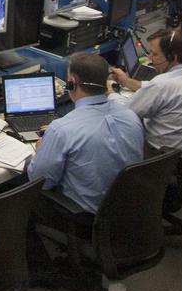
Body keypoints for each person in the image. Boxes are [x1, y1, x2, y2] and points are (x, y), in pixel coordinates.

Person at [29, 52, 143, 215]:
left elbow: (40, 182)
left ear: (72, 83)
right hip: (127, 212)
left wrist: (42, 149)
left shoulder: (61, 129)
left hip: (84, 217)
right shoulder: (130, 116)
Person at [110, 28, 182, 164]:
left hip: (168, 159)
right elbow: (159, 89)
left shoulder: (161, 85)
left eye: (155, 54)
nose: (150, 58)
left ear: (173, 57)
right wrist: (126, 81)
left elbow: (124, 114)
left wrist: (110, 92)